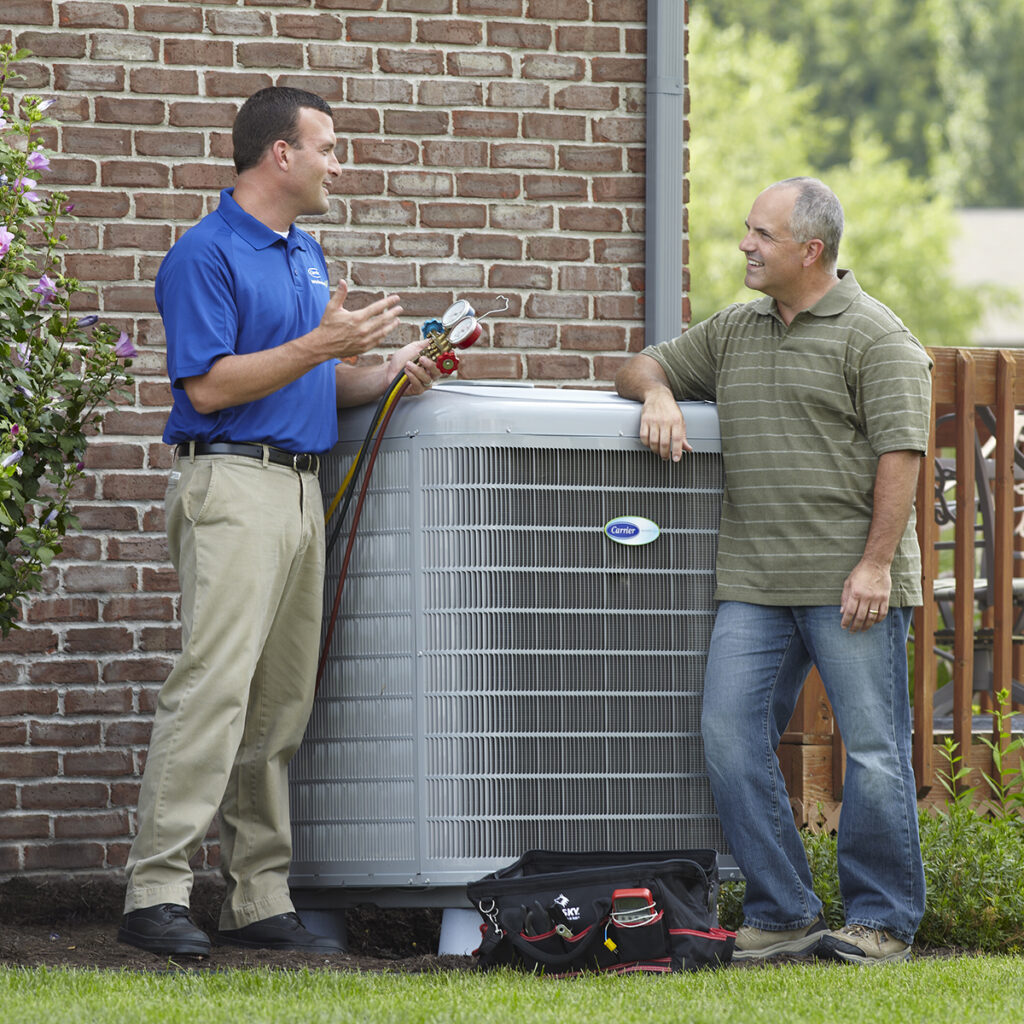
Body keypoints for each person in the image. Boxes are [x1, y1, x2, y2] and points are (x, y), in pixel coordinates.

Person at [118, 87, 440, 957]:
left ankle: (258, 896)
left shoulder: (305, 254)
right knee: (214, 688)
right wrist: (320, 347)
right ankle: (156, 890)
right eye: (330, 146)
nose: (343, 164)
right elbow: (212, 386)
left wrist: (389, 371)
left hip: (301, 489)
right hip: (231, 486)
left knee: (280, 703)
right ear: (280, 155)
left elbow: (311, 380)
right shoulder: (205, 255)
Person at [616, 177, 930, 964]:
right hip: (753, 581)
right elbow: (641, 364)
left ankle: (882, 920)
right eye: (748, 229)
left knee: (873, 750)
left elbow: (902, 455)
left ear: (810, 250)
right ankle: (784, 908)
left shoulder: (877, 337)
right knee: (727, 733)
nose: (746, 245)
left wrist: (875, 565)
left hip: (849, 583)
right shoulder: (735, 331)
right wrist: (658, 395)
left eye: (761, 233)